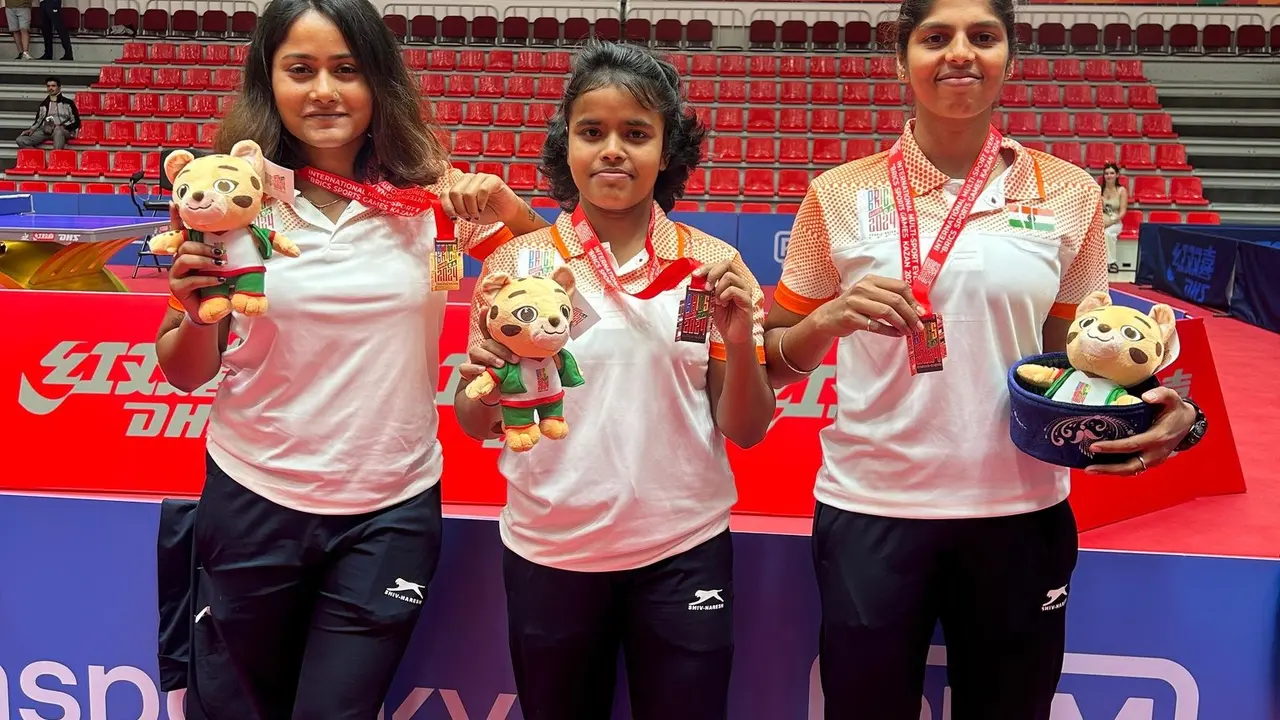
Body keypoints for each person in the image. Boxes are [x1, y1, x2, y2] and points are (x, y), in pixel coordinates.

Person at [761, 0, 1206, 717]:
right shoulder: (839, 193)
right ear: (902, 57)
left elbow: (1083, 360)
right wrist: (828, 319)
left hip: (1020, 508)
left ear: (1009, 56)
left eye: (983, 36)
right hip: (872, 509)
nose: (960, 53)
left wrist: (1173, 409)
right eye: (936, 37)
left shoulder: (1068, 192)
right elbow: (773, 360)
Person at [152, 0, 547, 717]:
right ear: (268, 82)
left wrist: (513, 212)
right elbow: (187, 369)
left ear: (379, 83)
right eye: (300, 70)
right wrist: (187, 307)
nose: (324, 91)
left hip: (388, 512)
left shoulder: (433, 202)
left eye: (347, 70)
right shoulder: (231, 199)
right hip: (253, 497)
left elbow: (553, 281)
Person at [454, 40, 775, 720]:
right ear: (565, 143)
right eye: (591, 132)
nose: (612, 151)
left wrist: (743, 340)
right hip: (551, 551)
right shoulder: (520, 261)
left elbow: (745, 429)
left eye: (637, 134)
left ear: (668, 149)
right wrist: (482, 383)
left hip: (683, 549)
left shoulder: (711, 266)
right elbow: (474, 420)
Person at [16, 77, 78, 150]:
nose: (50, 88)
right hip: (46, 130)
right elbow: (38, 121)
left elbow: (76, 121)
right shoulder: (43, 104)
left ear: (59, 87)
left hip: (62, 130)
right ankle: (39, 159)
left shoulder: (68, 103)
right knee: (20, 140)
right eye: (48, 86)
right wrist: (31, 129)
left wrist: (64, 127)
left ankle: (56, 159)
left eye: (53, 86)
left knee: (58, 131)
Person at [1100, 162, 1127, 274]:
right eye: (1106, 173)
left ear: (1117, 175)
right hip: (1101, 220)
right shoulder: (1099, 190)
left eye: (1111, 173)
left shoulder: (1122, 190)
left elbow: (1123, 212)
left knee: (1107, 233)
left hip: (1115, 222)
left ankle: (1110, 263)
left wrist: (1110, 221)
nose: (1109, 176)